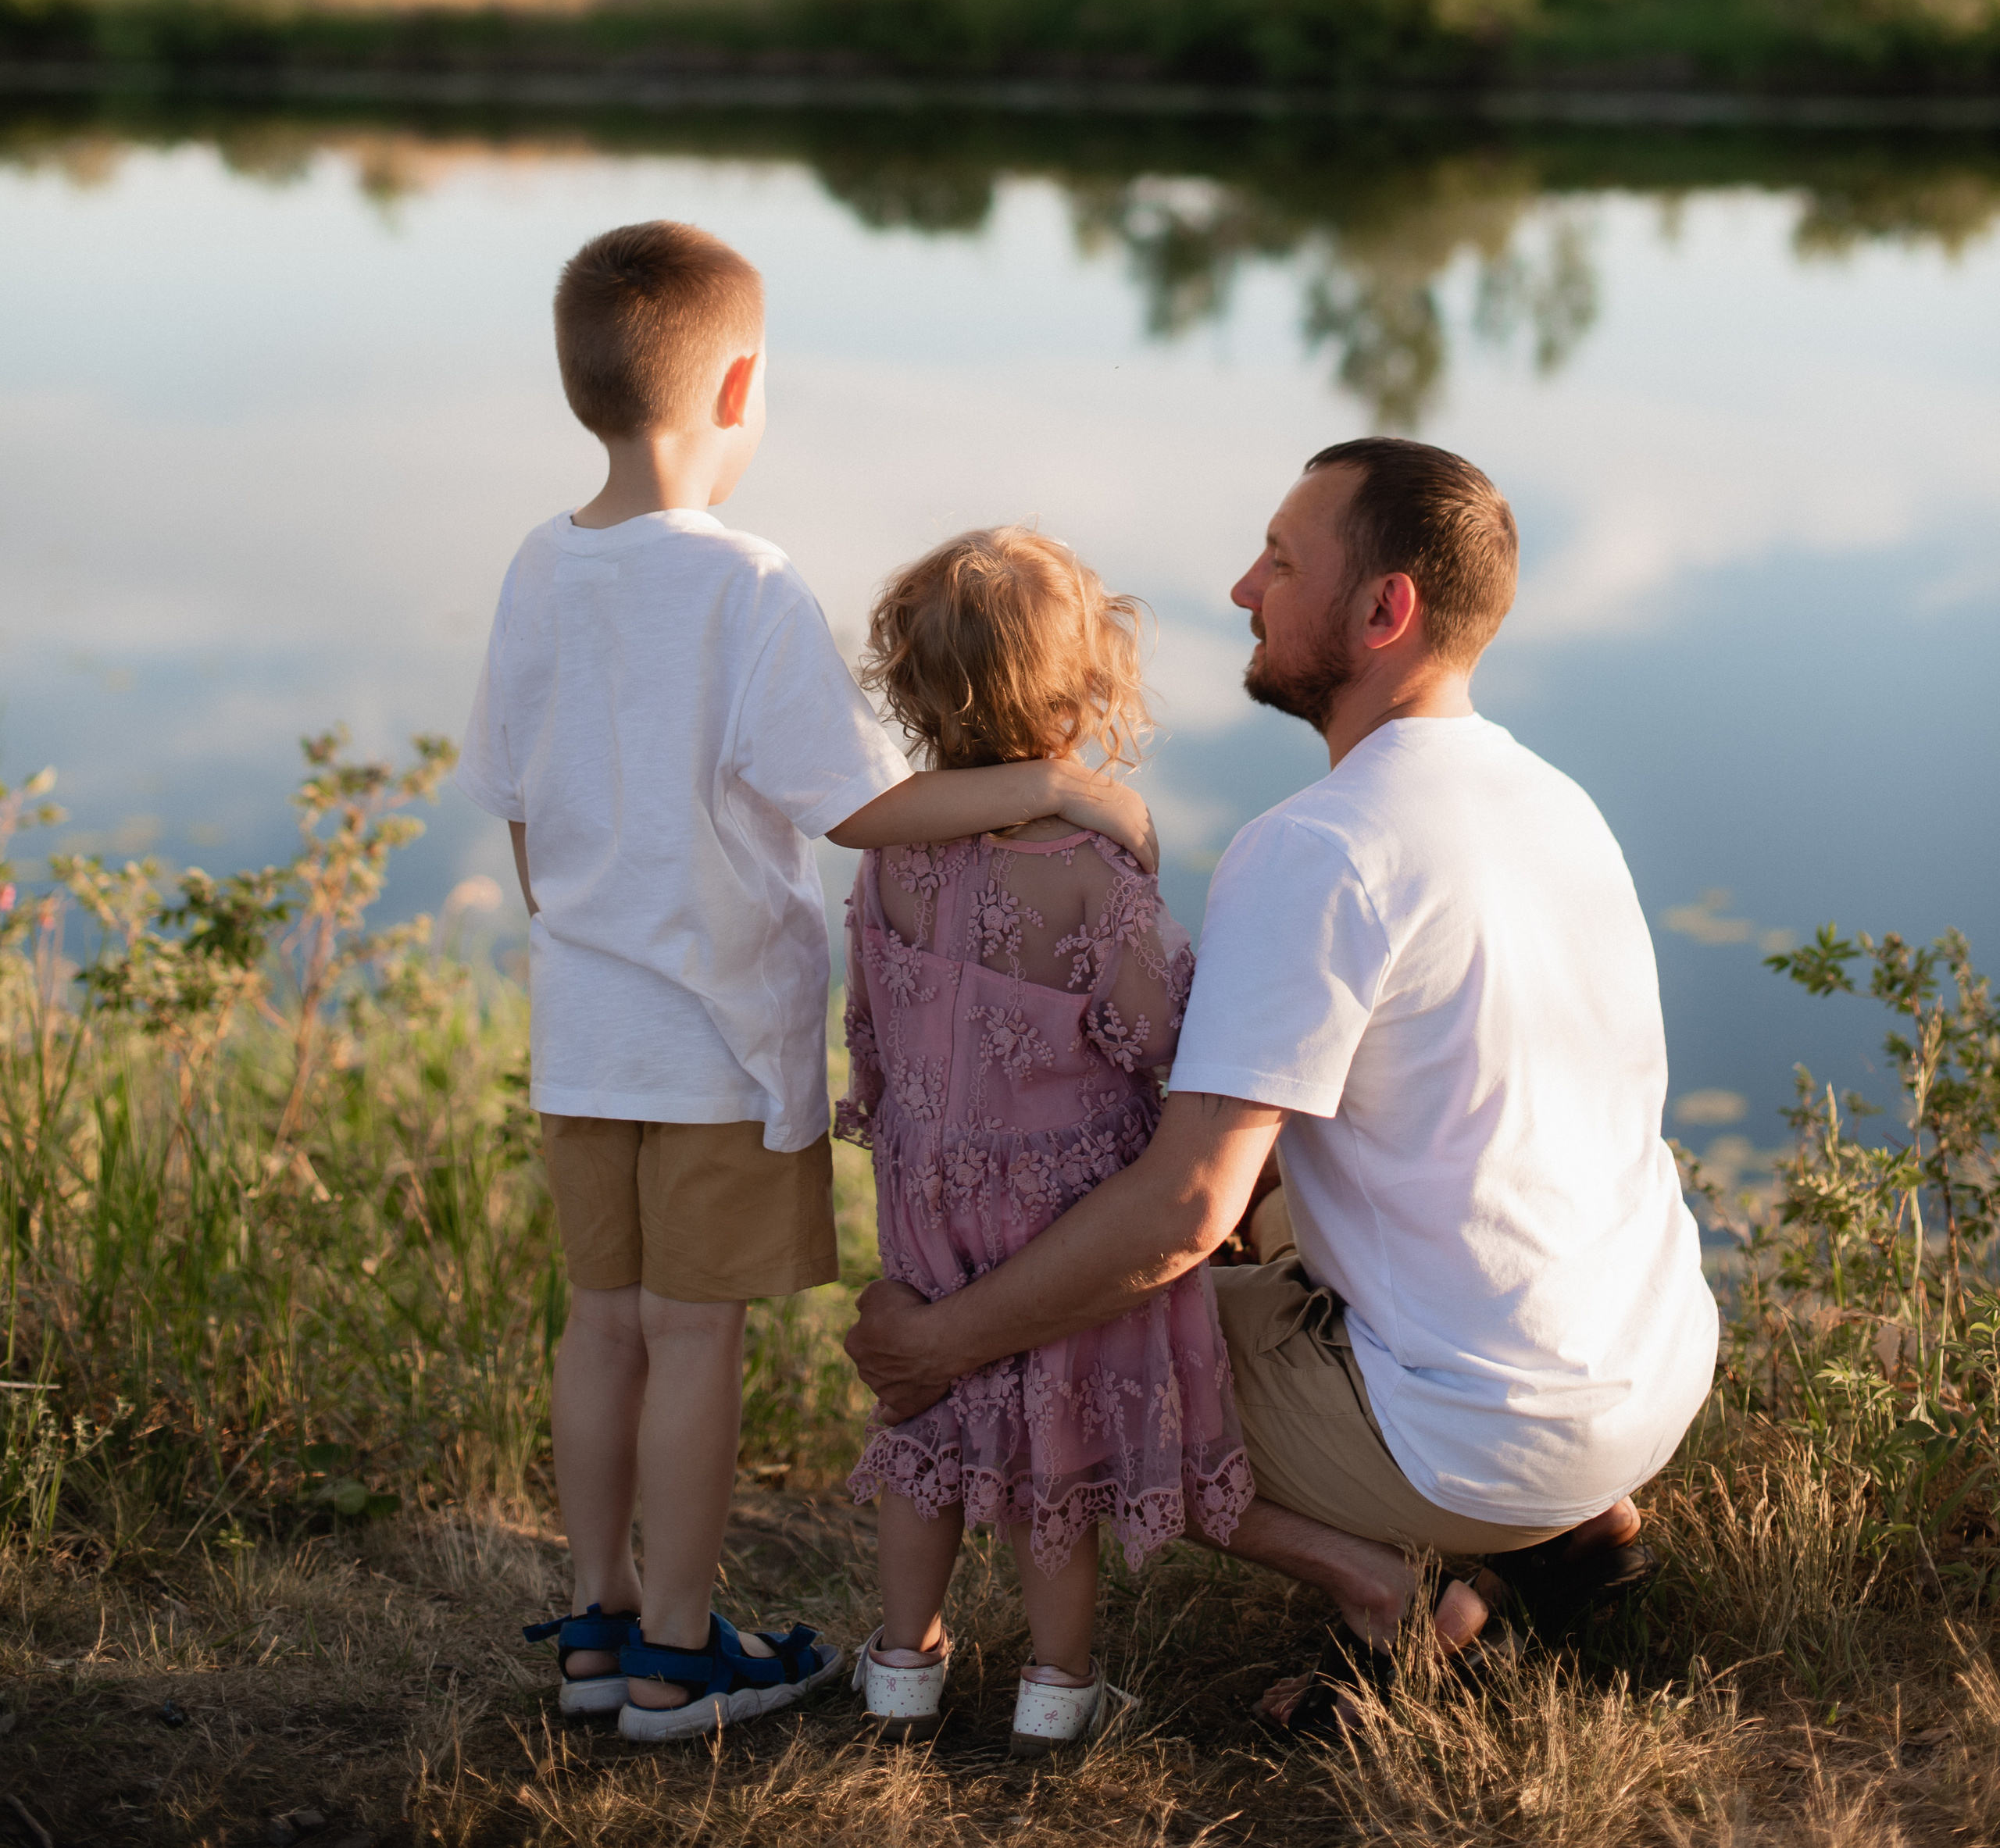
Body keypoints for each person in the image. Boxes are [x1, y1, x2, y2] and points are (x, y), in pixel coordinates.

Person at [847, 437, 1719, 1740]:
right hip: (1643, 1372)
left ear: (1387, 611)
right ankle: (1573, 1531)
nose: (1243, 586)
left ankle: (1389, 1595)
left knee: (1088, 1356)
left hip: (1489, 1426)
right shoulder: (1554, 800)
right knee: (1289, 1163)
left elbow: (1178, 1217)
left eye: (1281, 560)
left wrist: (942, 1338)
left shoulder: (1318, 848)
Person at [455, 220, 1157, 1743]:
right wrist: (1058, 784)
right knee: (693, 1336)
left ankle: (592, 1623)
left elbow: (518, 813)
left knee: (601, 1325)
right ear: (740, 386)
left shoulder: (536, 564)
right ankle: (677, 1653)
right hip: (710, 1041)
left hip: (582, 1033)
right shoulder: (745, 583)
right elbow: (855, 805)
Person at [838, 527, 1252, 1760]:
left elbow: (867, 1008)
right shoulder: (1095, 871)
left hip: (932, 1193)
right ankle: (1054, 1690)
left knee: (928, 1434)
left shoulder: (892, 857)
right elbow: (1158, 1030)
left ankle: (901, 1672)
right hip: (1062, 1214)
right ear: (1090, 688)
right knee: (1051, 1454)